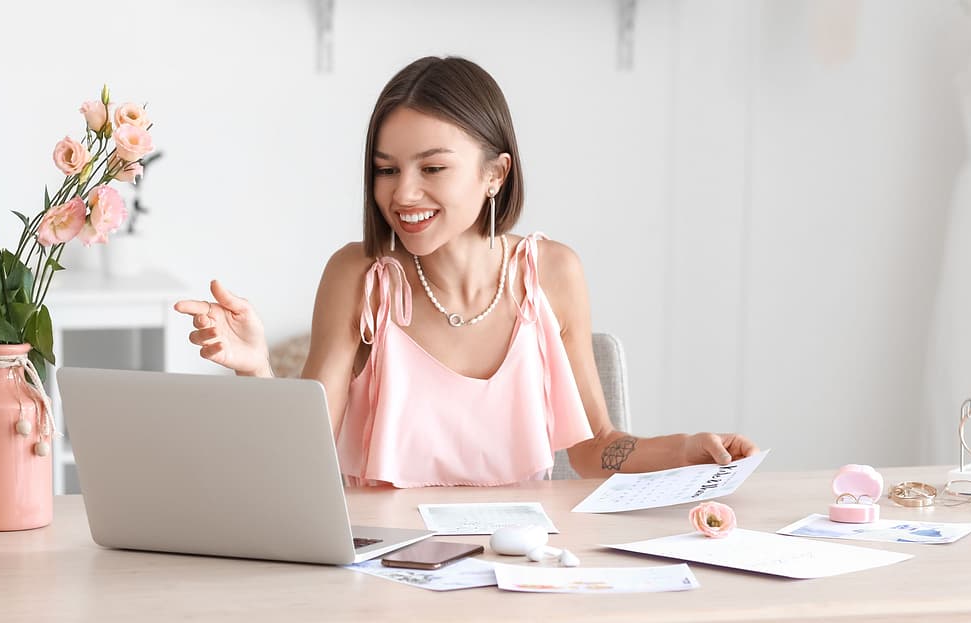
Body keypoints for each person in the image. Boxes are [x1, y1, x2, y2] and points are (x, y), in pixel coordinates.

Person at [175, 56, 757, 487]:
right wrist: (254, 371)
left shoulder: (552, 273)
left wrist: (684, 450)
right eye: (386, 169)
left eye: (432, 167)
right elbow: (304, 458)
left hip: (516, 570)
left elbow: (592, 448)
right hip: (383, 569)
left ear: (495, 174)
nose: (403, 193)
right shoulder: (358, 275)